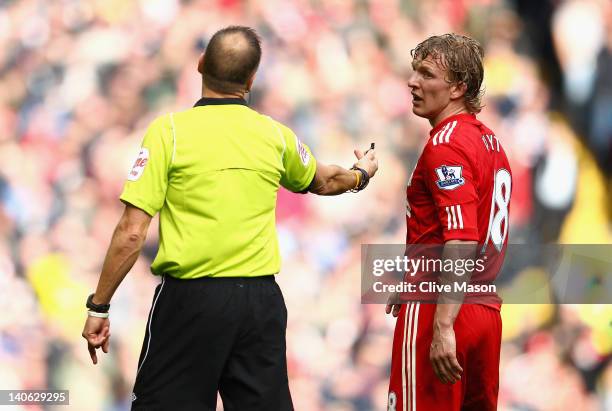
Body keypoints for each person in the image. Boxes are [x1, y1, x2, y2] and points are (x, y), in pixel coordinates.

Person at [81, 25, 378, 411]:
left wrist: (99, 307)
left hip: (190, 300)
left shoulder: (168, 133)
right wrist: (362, 174)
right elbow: (326, 180)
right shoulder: (275, 136)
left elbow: (131, 233)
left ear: (201, 64)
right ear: (251, 79)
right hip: (259, 302)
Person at [385, 34, 512, 411]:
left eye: (426, 74)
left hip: (441, 308)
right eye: (414, 72)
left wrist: (441, 325)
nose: (413, 82)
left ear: (458, 88)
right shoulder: (490, 142)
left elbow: (461, 239)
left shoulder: (446, 145)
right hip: (485, 310)